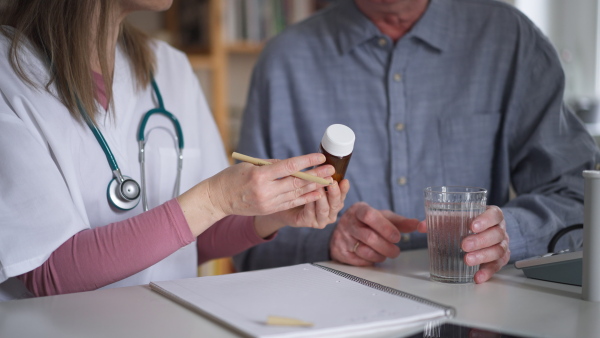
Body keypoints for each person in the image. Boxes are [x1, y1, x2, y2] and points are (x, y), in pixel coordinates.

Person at [0, 0, 350, 301]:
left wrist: (269, 214)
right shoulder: (8, 73)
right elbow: (48, 273)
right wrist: (215, 199)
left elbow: (198, 237)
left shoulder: (169, 67)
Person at [233, 0, 600, 284]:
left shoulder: (510, 39)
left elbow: (581, 198)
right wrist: (326, 242)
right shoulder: (284, 61)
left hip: (483, 308)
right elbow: (242, 241)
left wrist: (511, 233)